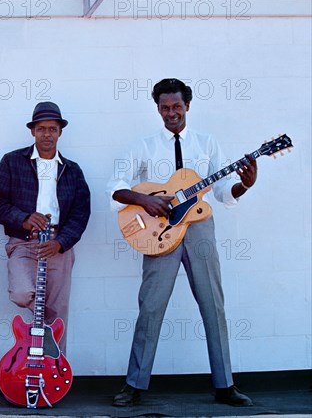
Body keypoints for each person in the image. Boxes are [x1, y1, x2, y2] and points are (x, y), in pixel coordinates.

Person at [107, 78, 256, 407]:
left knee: (213, 305)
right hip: (160, 233)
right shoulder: (144, 146)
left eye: (176, 106)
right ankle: (135, 384)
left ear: (187, 105)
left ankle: (225, 385)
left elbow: (222, 190)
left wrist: (243, 186)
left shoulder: (207, 143)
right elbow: (115, 185)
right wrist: (142, 200)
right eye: (164, 107)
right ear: (157, 108)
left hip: (200, 228)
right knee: (151, 307)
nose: (171, 113)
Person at [0, 101, 91, 353]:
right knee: (23, 293)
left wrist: (61, 242)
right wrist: (23, 218)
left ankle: (56, 369)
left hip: (57, 244)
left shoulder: (72, 170)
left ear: (60, 132)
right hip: (24, 240)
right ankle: (39, 335)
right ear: (33, 131)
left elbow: (81, 213)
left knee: (58, 312)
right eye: (42, 129)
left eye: (52, 129)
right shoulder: (12, 162)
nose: (47, 134)